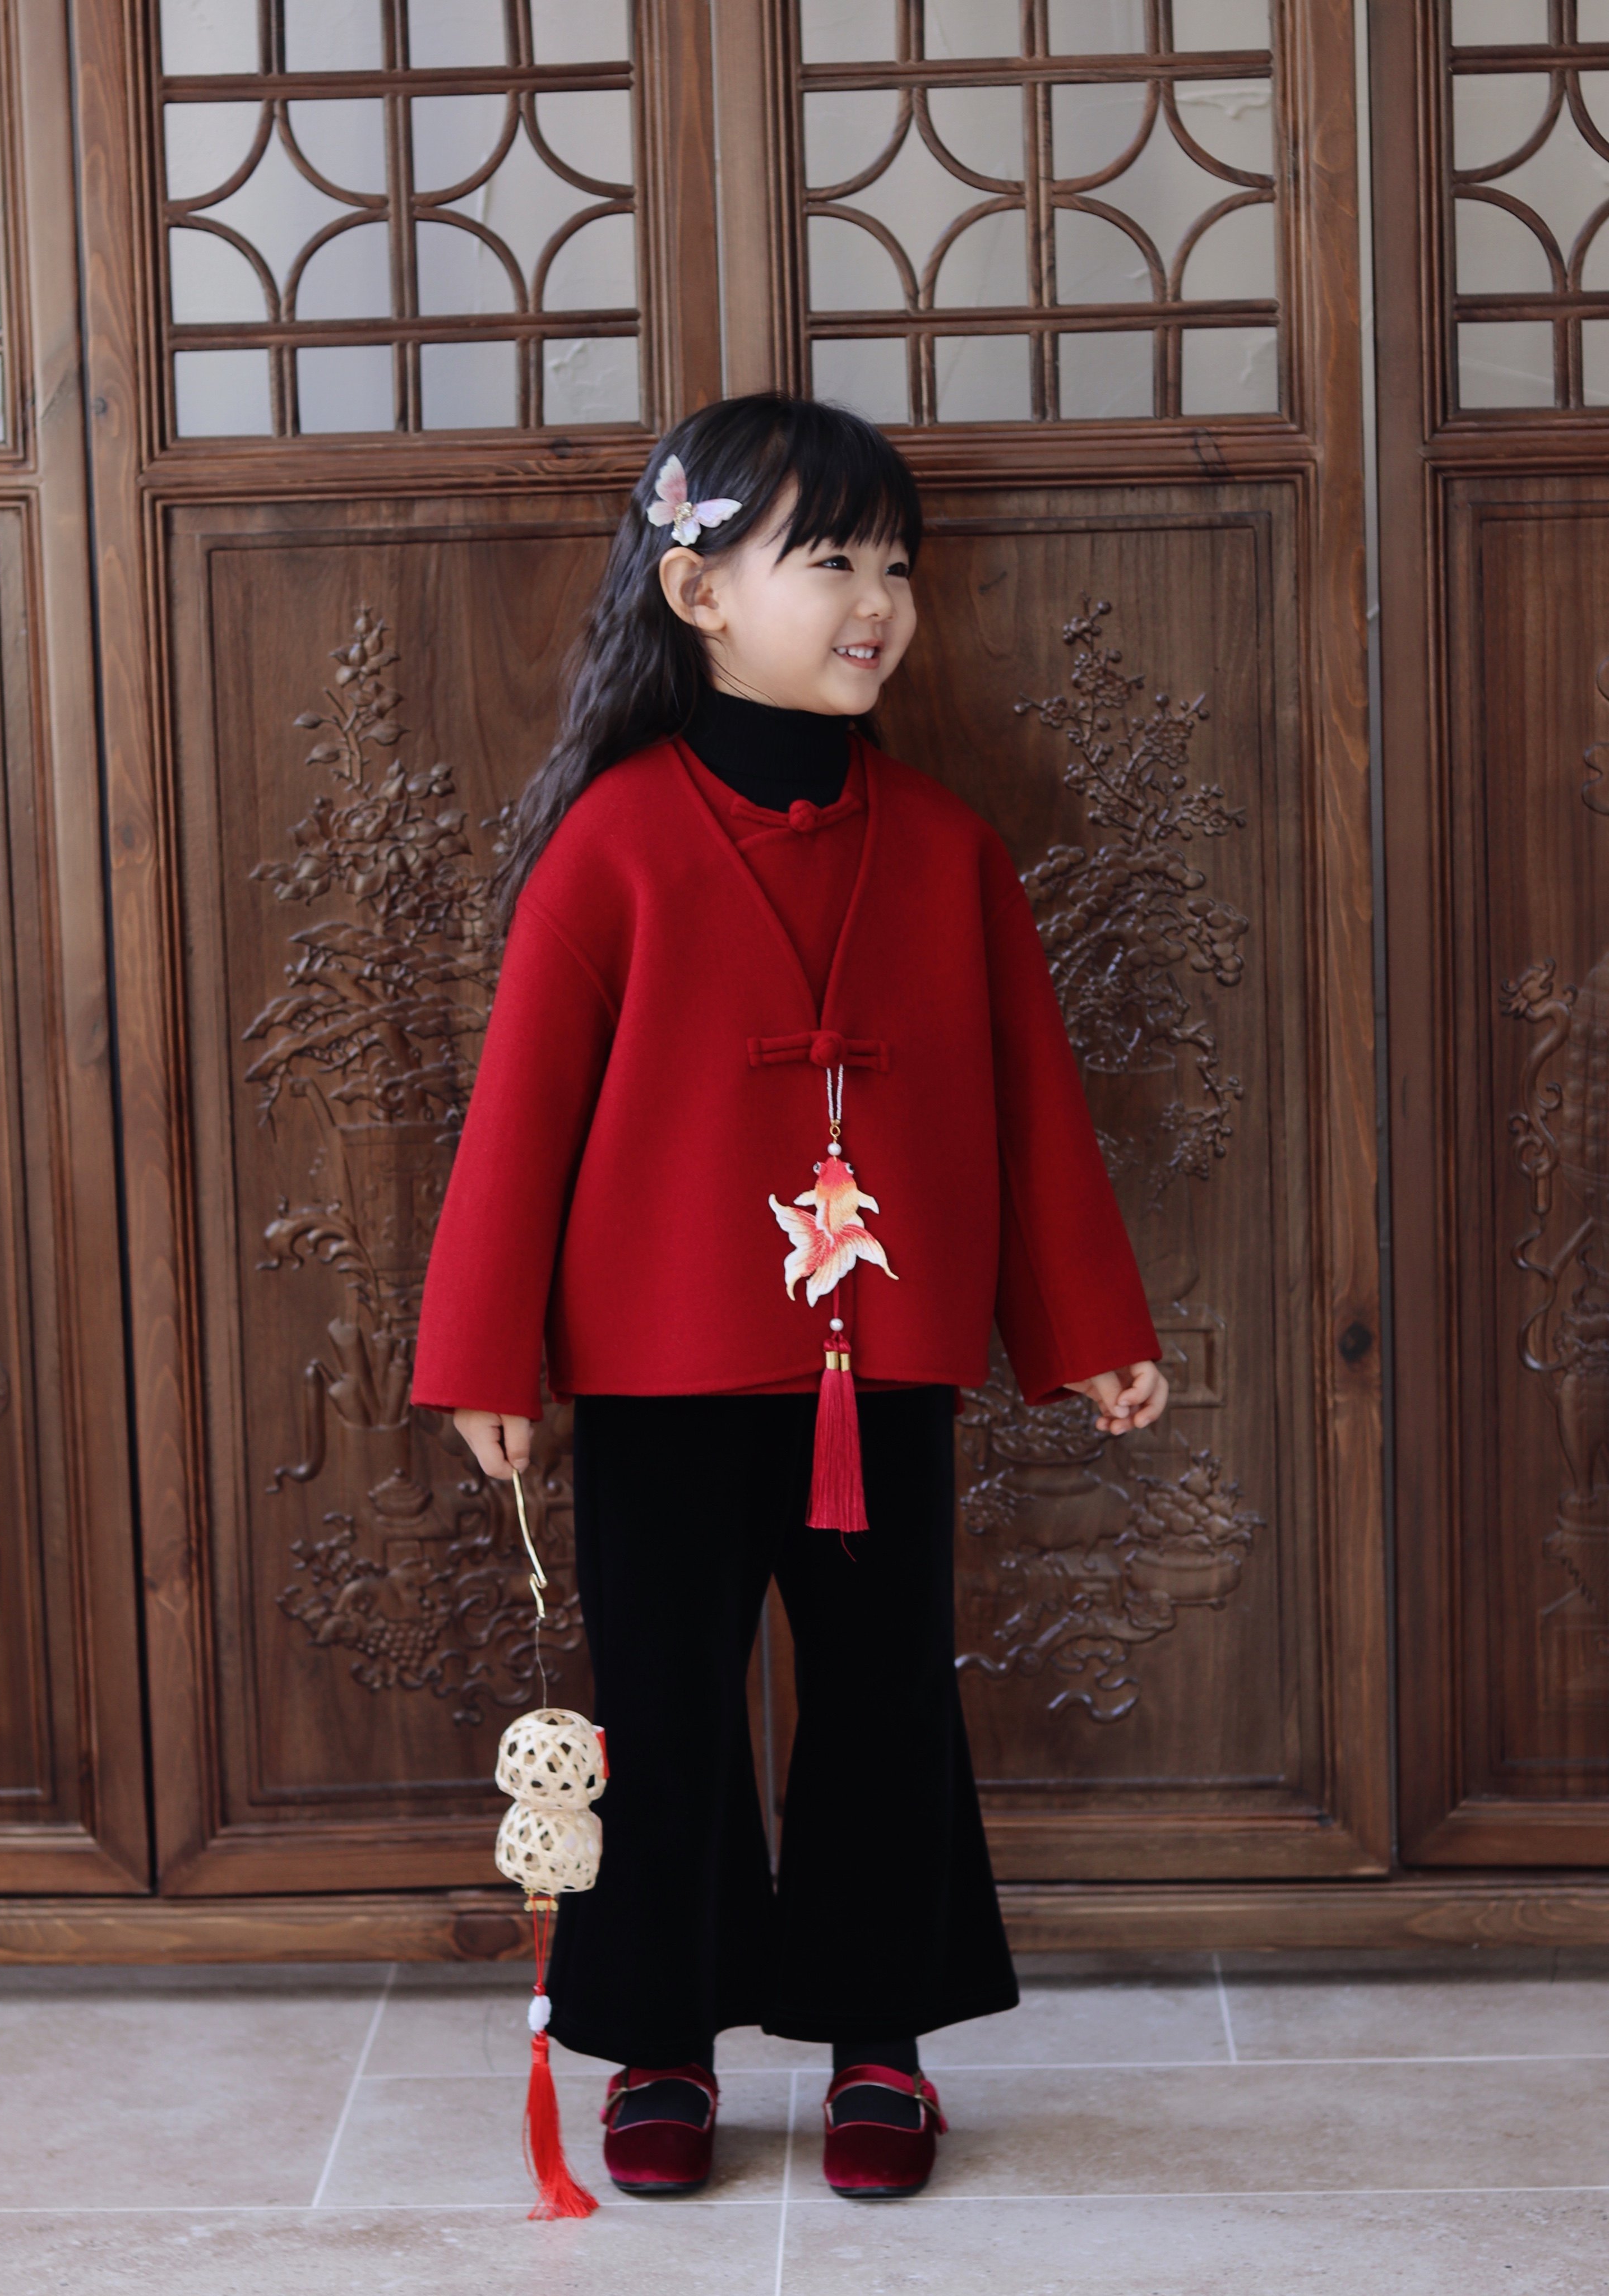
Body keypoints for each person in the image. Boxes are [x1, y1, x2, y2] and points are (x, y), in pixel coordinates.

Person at [412, 392, 1167, 2202]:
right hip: (660, 1368)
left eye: (896, 565)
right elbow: (519, 1119)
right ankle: (660, 2042)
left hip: (879, 1366)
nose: (878, 601)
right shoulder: (611, 844)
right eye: (831, 561)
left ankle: (878, 2041)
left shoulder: (949, 846)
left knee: (888, 1701)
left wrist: (1090, 1329)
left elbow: (1032, 1101)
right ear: (698, 592)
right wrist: (485, 1354)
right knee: (662, 1710)